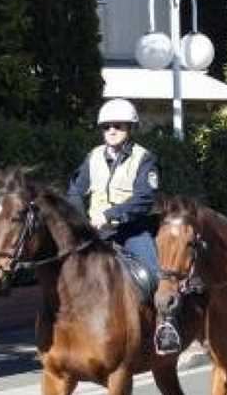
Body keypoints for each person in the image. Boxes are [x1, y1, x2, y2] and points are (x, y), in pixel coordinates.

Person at [67, 98, 160, 276]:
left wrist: (109, 215)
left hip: (132, 231)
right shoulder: (93, 156)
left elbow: (144, 199)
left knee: (153, 275)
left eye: (117, 126)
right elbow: (75, 192)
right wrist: (80, 221)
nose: (111, 131)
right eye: (106, 126)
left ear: (130, 128)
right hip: (97, 232)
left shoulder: (144, 158)